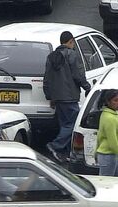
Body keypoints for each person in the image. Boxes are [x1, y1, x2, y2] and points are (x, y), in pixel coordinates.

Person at [43, 31, 91, 162]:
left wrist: (50, 96)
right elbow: (78, 75)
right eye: (73, 42)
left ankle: (66, 153)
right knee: (73, 124)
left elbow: (47, 78)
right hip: (69, 97)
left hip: (58, 98)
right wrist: (87, 87)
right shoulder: (72, 55)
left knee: (65, 125)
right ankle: (55, 146)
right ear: (70, 41)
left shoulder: (51, 57)